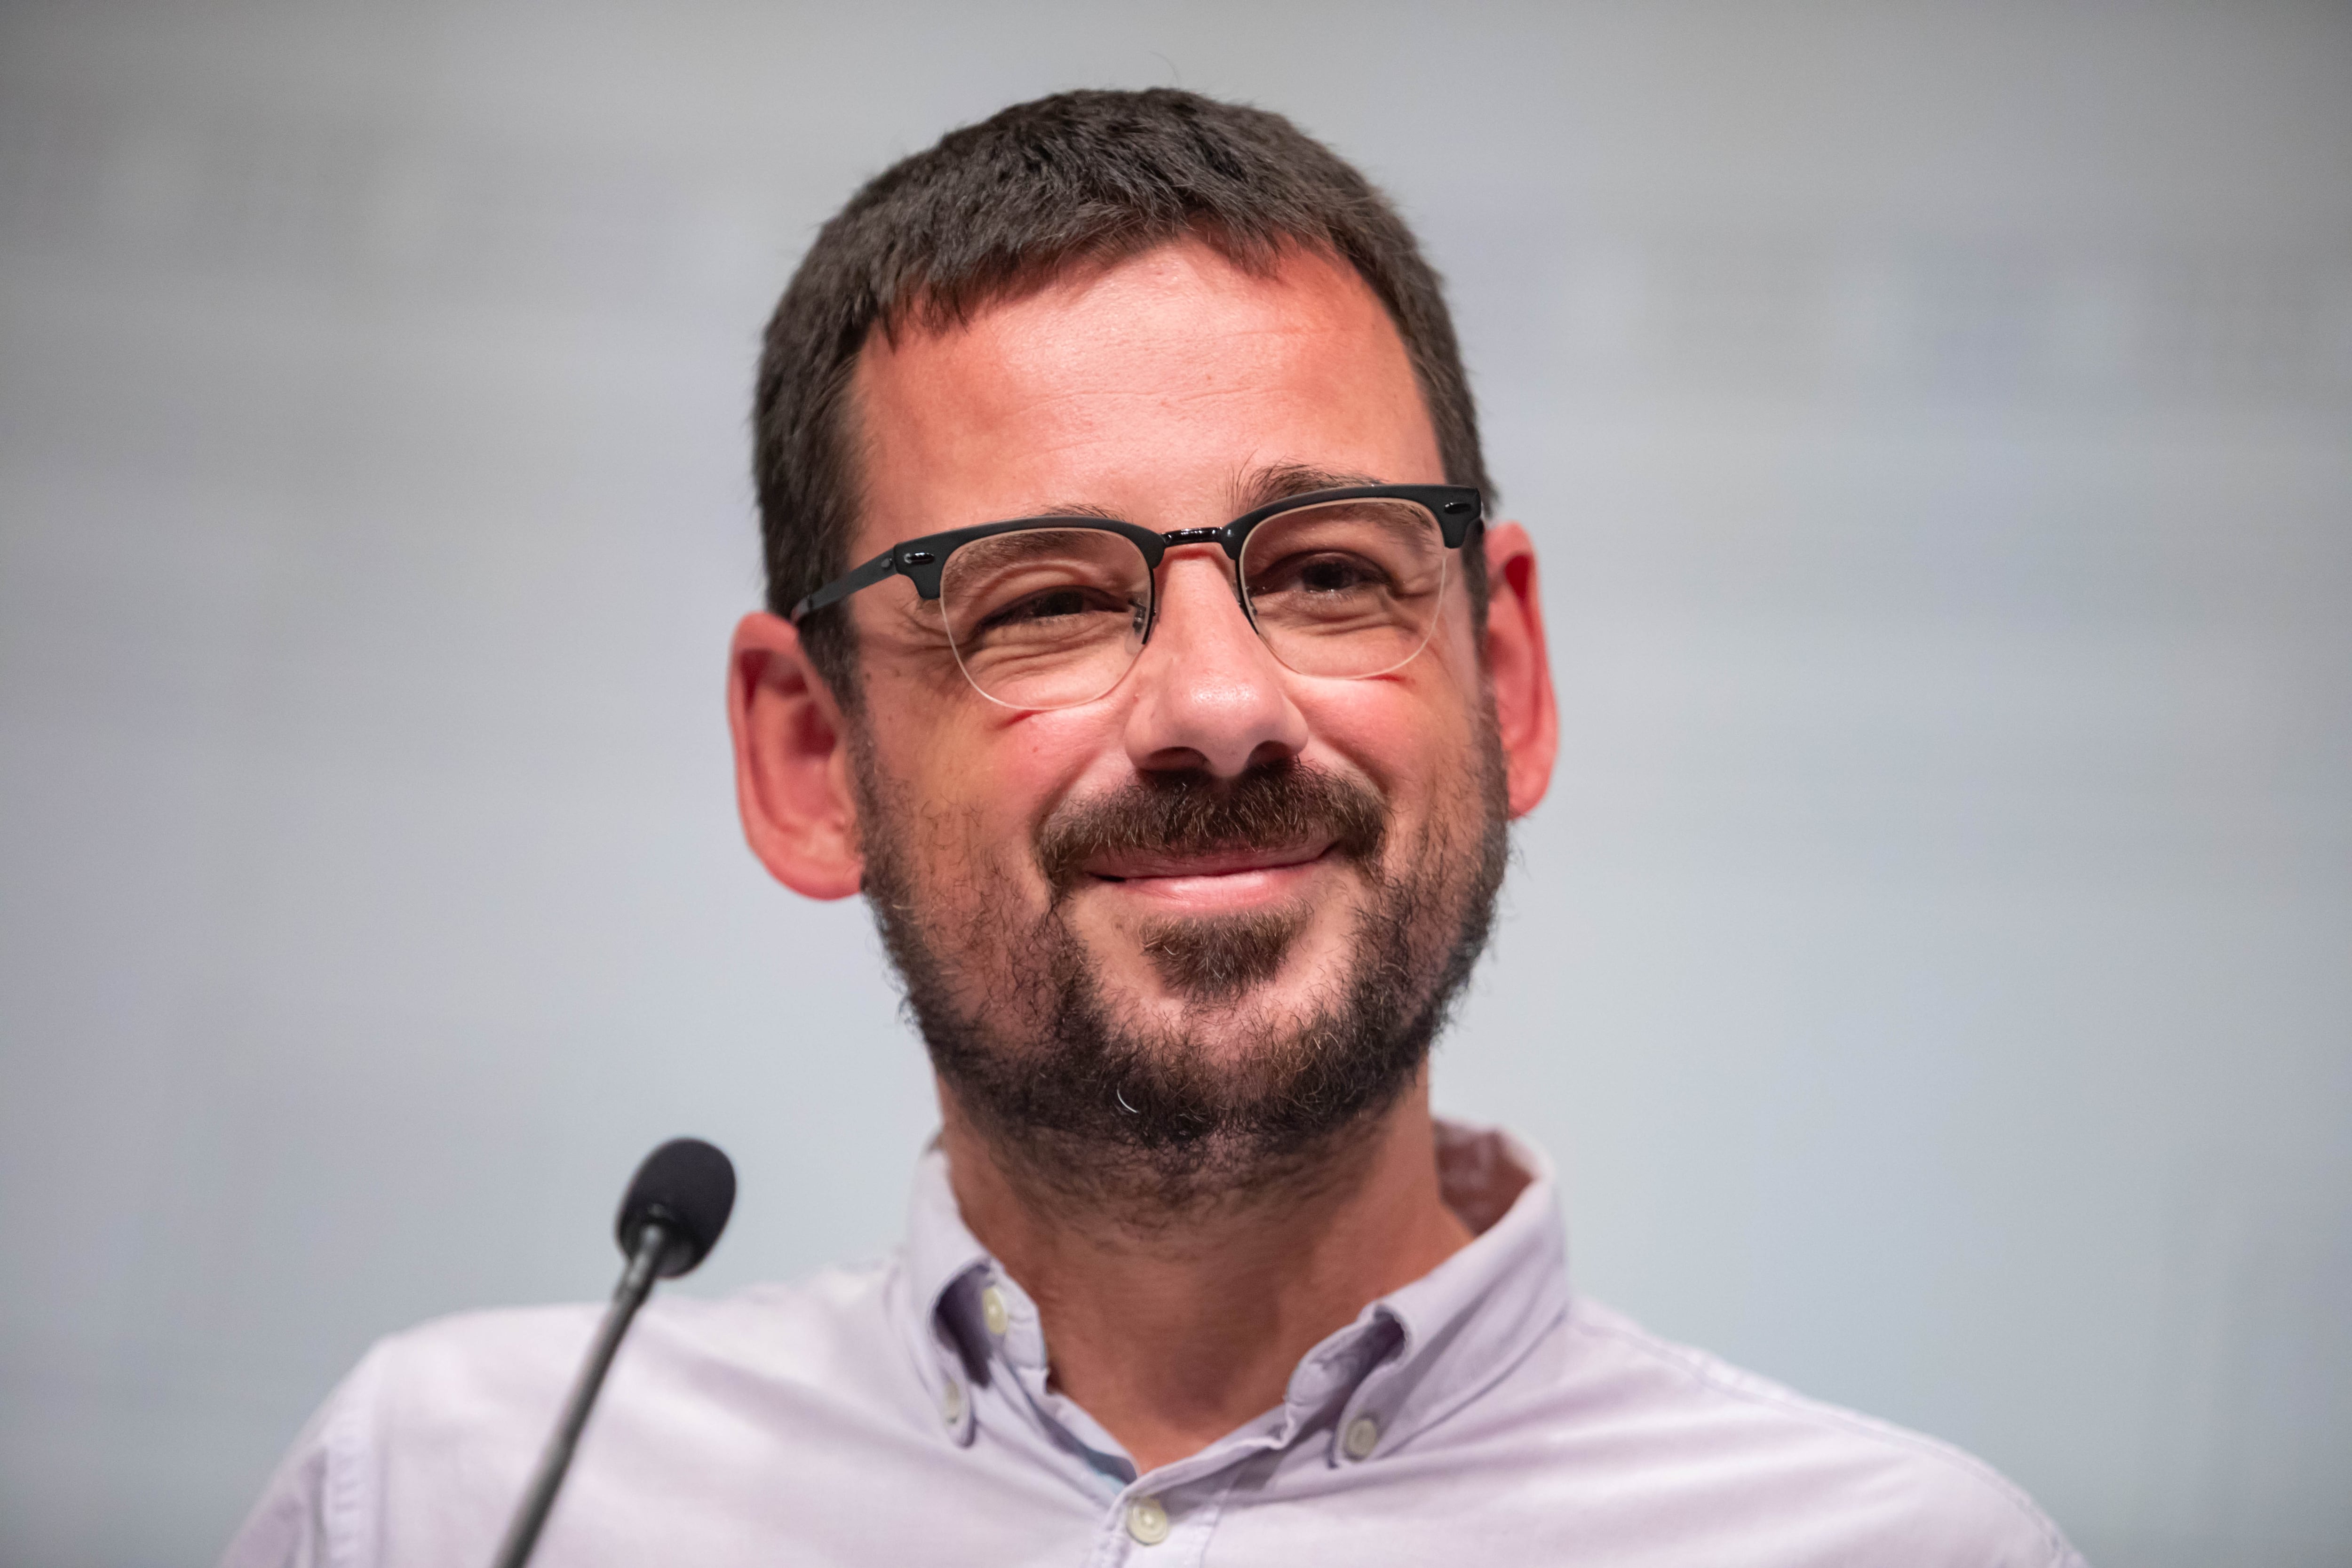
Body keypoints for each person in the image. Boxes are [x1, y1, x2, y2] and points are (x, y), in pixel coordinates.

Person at [224, 88, 2082, 1567]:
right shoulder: (456, 1505)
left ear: (1498, 671)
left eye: (1331, 572)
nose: (1216, 707)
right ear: (812, 758)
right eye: (1040, 601)